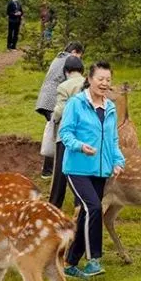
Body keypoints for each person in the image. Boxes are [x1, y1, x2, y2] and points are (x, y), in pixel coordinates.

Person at [58, 61, 125, 279]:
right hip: (77, 168)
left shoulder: (110, 107)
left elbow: (113, 139)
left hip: (101, 170)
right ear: (90, 79)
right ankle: (93, 259)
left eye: (108, 80)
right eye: (100, 79)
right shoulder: (76, 104)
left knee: (88, 214)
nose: (104, 84)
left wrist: (118, 161)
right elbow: (65, 133)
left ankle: (69, 262)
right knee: (94, 207)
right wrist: (79, 146)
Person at [35, 42, 85, 178]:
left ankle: (50, 169)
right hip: (53, 101)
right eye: (80, 56)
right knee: (58, 135)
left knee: (55, 133)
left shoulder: (59, 57)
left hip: (45, 99)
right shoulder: (69, 60)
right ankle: (51, 170)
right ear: (75, 52)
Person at [49, 55, 85, 208]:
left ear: (66, 71)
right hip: (85, 133)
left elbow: (60, 110)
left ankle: (54, 204)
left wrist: (53, 118)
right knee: (81, 170)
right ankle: (80, 202)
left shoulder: (64, 86)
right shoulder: (89, 83)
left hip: (67, 134)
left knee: (60, 172)